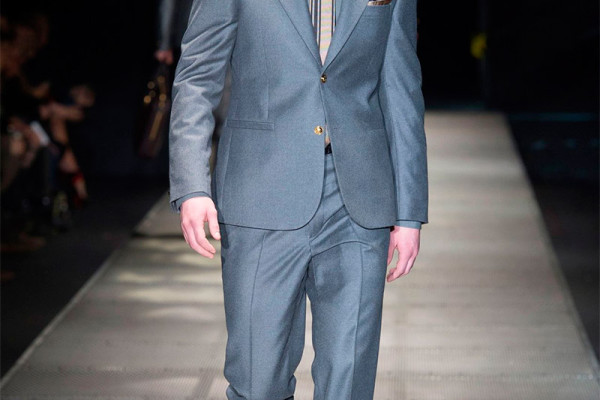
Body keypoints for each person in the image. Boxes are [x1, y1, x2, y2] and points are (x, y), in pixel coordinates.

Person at [169, 0, 428, 398]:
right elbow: (197, 76)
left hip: (358, 198)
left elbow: (402, 88)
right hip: (260, 193)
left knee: (349, 380)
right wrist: (192, 185)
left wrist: (409, 212)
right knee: (258, 381)